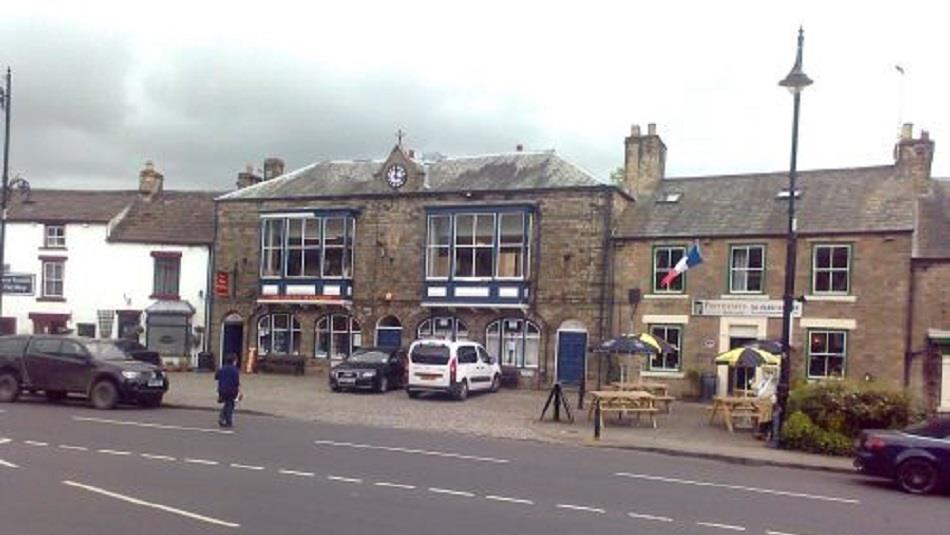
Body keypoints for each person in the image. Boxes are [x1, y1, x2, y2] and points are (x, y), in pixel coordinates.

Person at [214, 355, 241, 428]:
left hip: (222, 390)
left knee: (227, 404)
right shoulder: (235, 370)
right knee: (230, 405)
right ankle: (227, 420)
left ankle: (223, 418)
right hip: (231, 391)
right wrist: (238, 392)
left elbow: (216, 377)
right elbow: (236, 382)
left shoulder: (222, 369)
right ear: (233, 361)